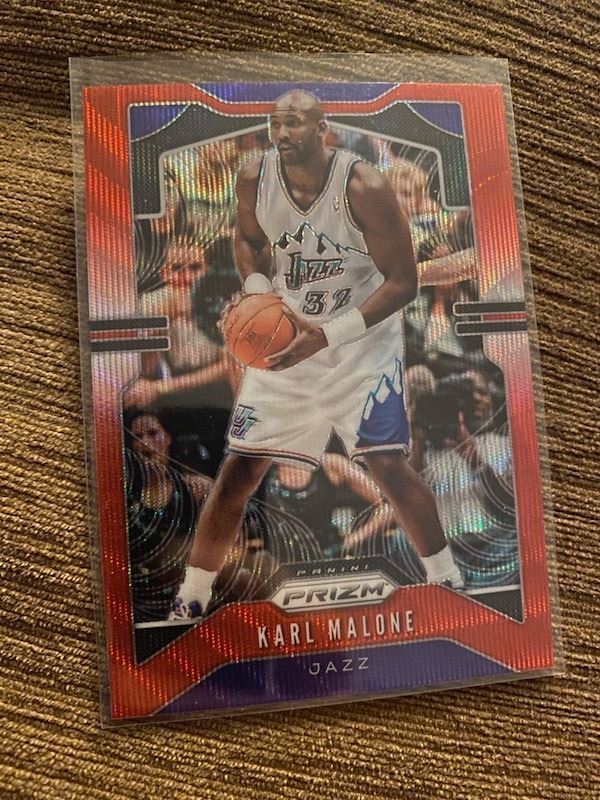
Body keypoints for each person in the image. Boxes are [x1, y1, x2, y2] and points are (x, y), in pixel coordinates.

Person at [169, 90, 464, 621]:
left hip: (360, 346)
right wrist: (258, 292)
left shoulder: (365, 185)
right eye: (275, 124)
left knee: (387, 466)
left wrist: (327, 334)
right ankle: (191, 596)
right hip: (289, 340)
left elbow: (403, 282)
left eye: (295, 124)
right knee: (239, 470)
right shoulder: (254, 176)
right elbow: (248, 240)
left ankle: (448, 581)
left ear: (322, 127)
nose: (283, 134)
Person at [126, 412, 212, 622]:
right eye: (137, 436)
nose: (145, 442)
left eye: (153, 433)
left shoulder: (196, 489)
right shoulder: (125, 500)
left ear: (168, 439)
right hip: (143, 604)